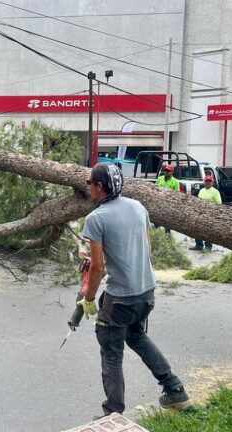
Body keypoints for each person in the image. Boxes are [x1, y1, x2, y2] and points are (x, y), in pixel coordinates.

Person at [80, 162, 191, 417]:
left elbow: (97, 268)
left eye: (89, 183)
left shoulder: (96, 218)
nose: (86, 188)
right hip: (146, 293)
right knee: (136, 336)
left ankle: (113, 412)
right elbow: (147, 250)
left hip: (120, 298)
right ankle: (175, 390)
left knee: (111, 350)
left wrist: (88, 298)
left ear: (99, 186)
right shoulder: (138, 207)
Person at [190, 175, 222, 251]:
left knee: (208, 230)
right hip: (200, 213)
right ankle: (199, 245)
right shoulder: (201, 190)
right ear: (204, 182)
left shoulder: (215, 192)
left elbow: (219, 203)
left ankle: (208, 246)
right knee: (197, 229)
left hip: (210, 214)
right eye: (206, 181)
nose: (208, 182)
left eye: (209, 181)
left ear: (212, 182)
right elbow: (198, 201)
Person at [154, 164, 179, 234]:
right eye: (166, 170)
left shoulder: (175, 182)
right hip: (159, 204)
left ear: (172, 172)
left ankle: (167, 239)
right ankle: (154, 235)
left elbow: (177, 195)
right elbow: (154, 188)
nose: (166, 172)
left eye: (168, 171)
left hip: (169, 205)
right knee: (157, 222)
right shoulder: (160, 178)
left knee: (167, 224)